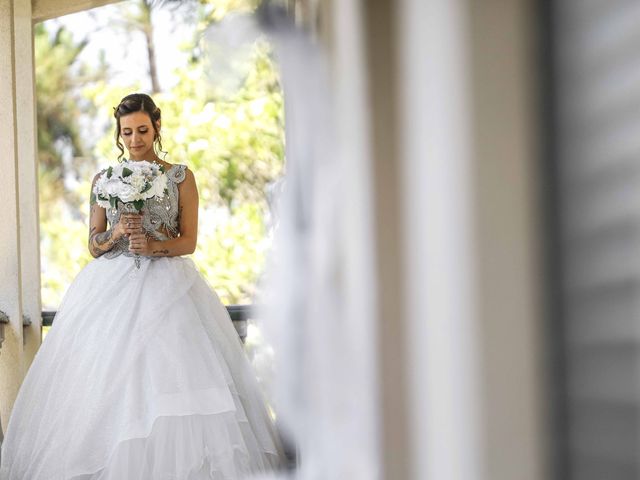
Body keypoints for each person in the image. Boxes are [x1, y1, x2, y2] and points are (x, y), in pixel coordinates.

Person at [0, 93, 287, 479]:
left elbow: (188, 241)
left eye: (142, 130)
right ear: (119, 135)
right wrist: (117, 230)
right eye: (127, 132)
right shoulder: (104, 180)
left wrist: (153, 245)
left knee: (176, 380)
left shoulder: (180, 176)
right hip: (110, 288)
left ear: (156, 128)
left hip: (171, 286)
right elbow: (93, 244)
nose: (135, 139)